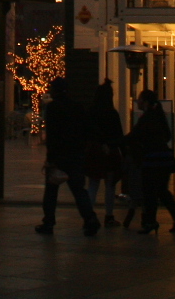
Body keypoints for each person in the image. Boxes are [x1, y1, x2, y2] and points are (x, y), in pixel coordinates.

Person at [35, 77, 100, 237]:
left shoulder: (53, 108)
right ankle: (90, 219)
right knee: (79, 190)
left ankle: (48, 222)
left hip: (58, 156)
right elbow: (88, 129)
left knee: (51, 191)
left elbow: (52, 135)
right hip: (75, 155)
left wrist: (50, 158)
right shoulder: (77, 107)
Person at [127, 89, 175, 234]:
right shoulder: (159, 115)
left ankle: (150, 221)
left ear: (145, 102)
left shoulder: (146, 118)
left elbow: (134, 135)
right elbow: (167, 135)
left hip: (151, 159)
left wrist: (115, 142)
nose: (138, 102)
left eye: (140, 99)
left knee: (149, 191)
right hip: (165, 158)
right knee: (162, 190)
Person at [83, 81, 124, 227]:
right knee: (110, 185)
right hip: (110, 152)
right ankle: (109, 216)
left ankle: (88, 216)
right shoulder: (112, 113)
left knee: (93, 184)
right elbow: (119, 135)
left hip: (94, 151)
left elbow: (86, 132)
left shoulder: (91, 112)